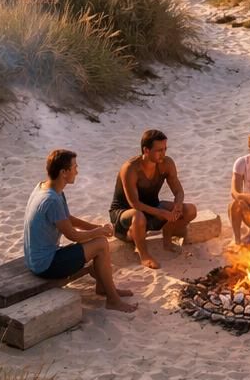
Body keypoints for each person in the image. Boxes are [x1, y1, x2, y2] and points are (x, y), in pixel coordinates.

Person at [24, 149, 135, 312]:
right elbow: (73, 235)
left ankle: (104, 288)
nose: (77, 171)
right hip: (45, 265)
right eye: (74, 167)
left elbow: (67, 218)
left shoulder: (46, 187)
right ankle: (113, 300)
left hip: (35, 258)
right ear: (64, 172)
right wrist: (99, 233)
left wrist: (96, 228)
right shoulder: (52, 199)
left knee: (97, 242)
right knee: (101, 244)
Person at [111, 129, 197, 269]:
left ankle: (167, 240)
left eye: (165, 149)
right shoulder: (130, 169)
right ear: (146, 150)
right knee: (138, 216)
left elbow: (178, 191)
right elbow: (135, 204)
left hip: (152, 207)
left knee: (190, 210)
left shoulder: (166, 163)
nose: (163, 154)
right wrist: (163, 213)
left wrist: (178, 205)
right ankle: (143, 255)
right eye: (159, 150)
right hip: (125, 214)